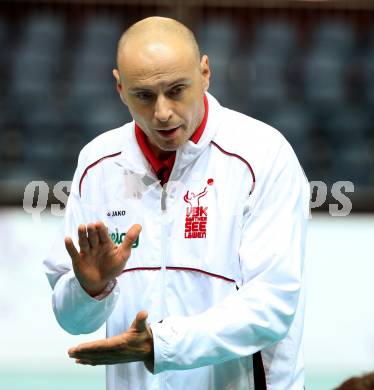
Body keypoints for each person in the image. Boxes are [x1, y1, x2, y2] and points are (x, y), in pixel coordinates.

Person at [44, 16, 309, 390]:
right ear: (120, 87)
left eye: (176, 90)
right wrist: (89, 290)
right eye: (144, 96)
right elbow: (73, 321)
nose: (163, 112)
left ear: (205, 73)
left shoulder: (263, 156)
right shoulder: (97, 163)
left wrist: (160, 345)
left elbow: (271, 306)